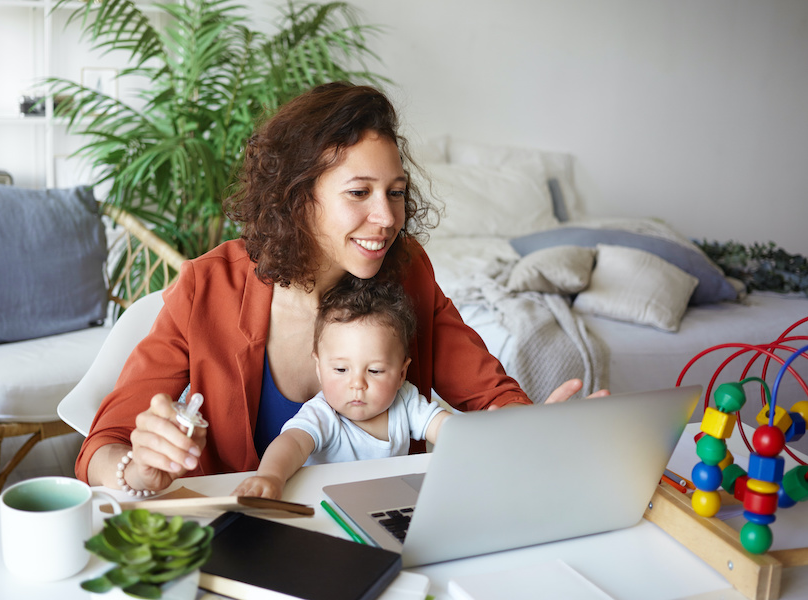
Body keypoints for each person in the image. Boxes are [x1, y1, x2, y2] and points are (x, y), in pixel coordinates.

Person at [76, 81, 599, 495]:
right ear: (298, 196)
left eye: (396, 193)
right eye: (358, 192)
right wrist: (136, 471)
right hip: (242, 535)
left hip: (376, 523)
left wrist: (533, 431)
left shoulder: (408, 271)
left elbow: (489, 394)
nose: (387, 217)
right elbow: (104, 445)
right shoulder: (207, 286)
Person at [233, 276, 450, 499]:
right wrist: (271, 476)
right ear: (319, 368)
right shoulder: (324, 414)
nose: (357, 384)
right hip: (325, 507)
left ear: (401, 373)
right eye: (341, 370)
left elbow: (446, 428)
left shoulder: (405, 401)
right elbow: (292, 443)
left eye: (374, 371)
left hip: (383, 505)